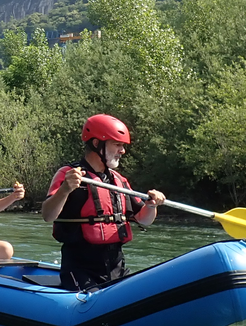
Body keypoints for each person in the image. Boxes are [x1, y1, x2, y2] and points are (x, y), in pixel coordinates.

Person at [41, 114, 166, 291]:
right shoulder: (69, 175)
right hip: (80, 269)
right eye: (117, 144)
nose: (122, 151)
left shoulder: (119, 181)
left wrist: (151, 205)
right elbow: (47, 215)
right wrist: (65, 190)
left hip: (116, 267)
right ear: (97, 144)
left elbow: (144, 219)